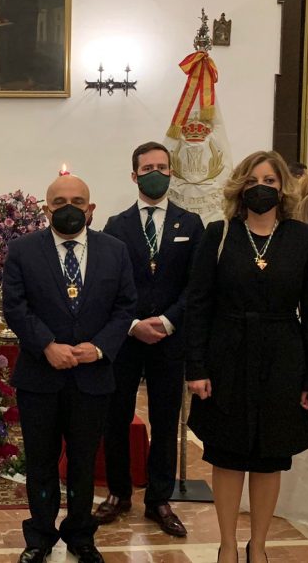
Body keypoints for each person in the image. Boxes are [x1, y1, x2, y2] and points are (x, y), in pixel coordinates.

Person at [185, 150, 308, 563]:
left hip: (283, 357)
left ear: (283, 188)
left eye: (269, 181)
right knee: (227, 455)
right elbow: (198, 305)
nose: (260, 188)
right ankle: (228, 545)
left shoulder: (303, 237)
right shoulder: (218, 234)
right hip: (226, 355)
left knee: (270, 458)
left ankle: (259, 546)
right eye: (252, 181)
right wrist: (196, 367)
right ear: (239, 187)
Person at [3, 174, 136, 563]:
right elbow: (15, 306)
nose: (69, 208)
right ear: (46, 209)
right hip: (40, 376)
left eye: (77, 202)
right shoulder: (23, 250)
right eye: (59, 202)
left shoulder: (114, 251)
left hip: (92, 377)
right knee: (41, 462)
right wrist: (46, 345)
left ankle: (81, 534)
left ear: (90, 209)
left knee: (82, 462)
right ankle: (40, 536)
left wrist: (100, 347)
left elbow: (126, 306)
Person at [94, 141, 204, 536]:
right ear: (134, 175)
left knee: (165, 418)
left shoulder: (191, 224)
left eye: (162, 166)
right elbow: (107, 286)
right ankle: (119, 493)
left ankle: (158, 498)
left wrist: (168, 321)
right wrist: (133, 323)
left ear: (171, 172)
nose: (155, 173)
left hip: (170, 339)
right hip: (125, 339)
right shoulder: (115, 225)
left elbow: (197, 285)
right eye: (147, 168)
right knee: (117, 417)